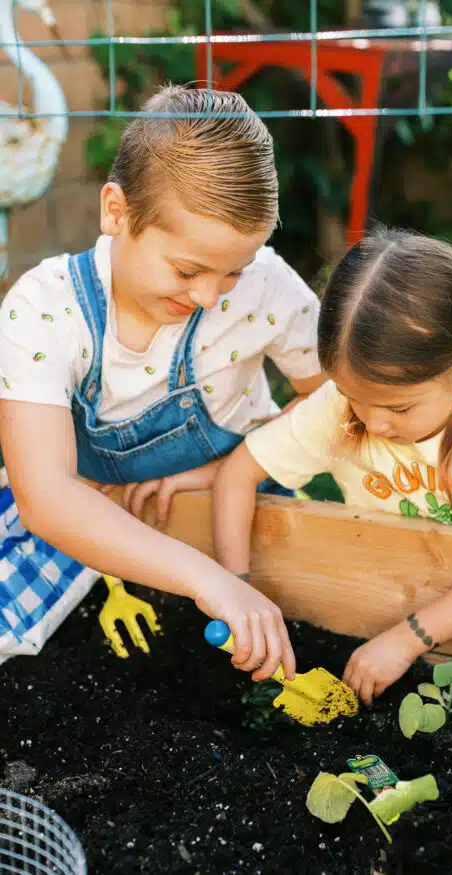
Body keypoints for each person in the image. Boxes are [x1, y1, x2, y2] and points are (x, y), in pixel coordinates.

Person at [0, 84, 327, 679]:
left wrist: (229, 470)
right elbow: (46, 497)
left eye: (234, 271)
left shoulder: (267, 291)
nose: (208, 295)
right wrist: (212, 582)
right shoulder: (46, 309)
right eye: (187, 270)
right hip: (91, 525)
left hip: (230, 513)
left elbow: (333, 400)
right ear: (116, 212)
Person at [211, 227, 452, 702]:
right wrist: (237, 593)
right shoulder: (338, 408)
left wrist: (409, 639)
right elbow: (238, 475)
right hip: (371, 605)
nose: (371, 422)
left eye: (398, 409)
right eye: (353, 396)